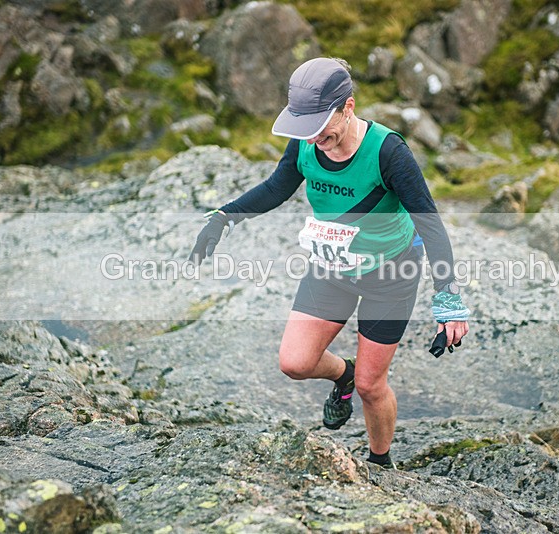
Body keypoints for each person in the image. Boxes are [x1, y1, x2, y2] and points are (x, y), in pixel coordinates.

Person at [189, 57, 469, 468]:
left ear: (348, 107)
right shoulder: (305, 138)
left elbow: (430, 224)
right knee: (295, 362)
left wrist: (447, 298)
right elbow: (276, 188)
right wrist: (224, 217)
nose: (314, 136)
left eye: (322, 125)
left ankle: (380, 462)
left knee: (372, 386)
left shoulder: (389, 153)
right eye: (306, 127)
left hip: (388, 274)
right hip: (331, 267)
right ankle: (343, 376)